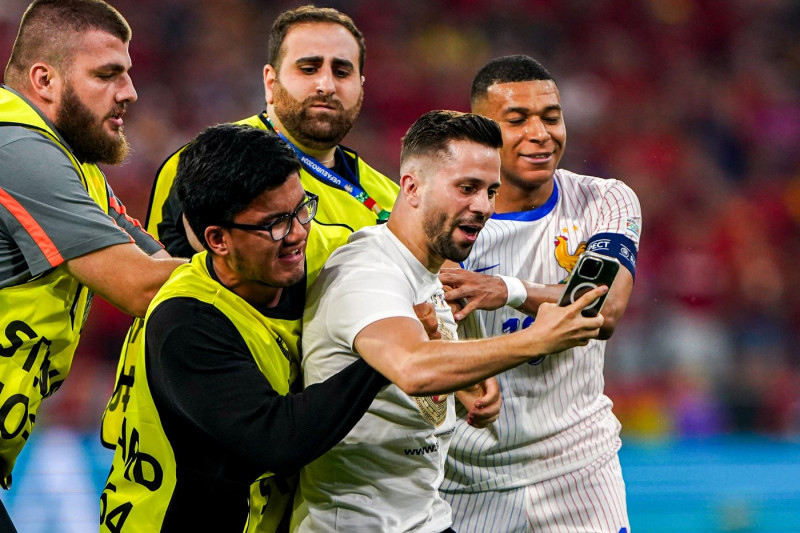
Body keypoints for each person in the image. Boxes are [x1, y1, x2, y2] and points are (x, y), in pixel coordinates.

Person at [292, 110, 608, 533]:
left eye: (490, 191)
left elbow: (422, 382)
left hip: (425, 519)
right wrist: (536, 340)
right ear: (412, 186)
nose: (483, 207)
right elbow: (414, 367)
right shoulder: (366, 270)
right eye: (467, 188)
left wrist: (468, 386)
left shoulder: (429, 273)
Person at [102, 4, 399, 448]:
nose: (325, 83)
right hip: (219, 439)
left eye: (342, 70)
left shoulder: (390, 199)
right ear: (270, 80)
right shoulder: (205, 168)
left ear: (360, 85)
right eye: (308, 67)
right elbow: (193, 309)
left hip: (331, 451)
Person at [99, 123, 393, 533]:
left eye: (302, 209)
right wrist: (388, 361)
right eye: (275, 224)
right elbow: (279, 439)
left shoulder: (319, 247)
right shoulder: (185, 322)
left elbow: (402, 257)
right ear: (217, 239)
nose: (297, 234)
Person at [437, 55, 642, 532]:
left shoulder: (603, 200)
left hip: (581, 472)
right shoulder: (442, 219)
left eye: (551, 117)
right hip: (468, 481)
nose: (541, 133)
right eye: (517, 120)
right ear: (480, 132)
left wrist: (505, 290)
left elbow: (603, 307)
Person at [0, 0, 184, 527]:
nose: (128, 92)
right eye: (107, 74)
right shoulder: (15, 149)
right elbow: (144, 287)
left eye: (126, 73)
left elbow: (167, 267)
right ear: (45, 79)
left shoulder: (78, 173)